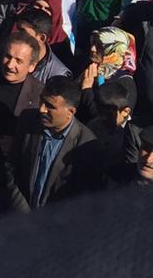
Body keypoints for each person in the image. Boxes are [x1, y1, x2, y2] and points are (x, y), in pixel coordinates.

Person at [7, 74, 102, 210]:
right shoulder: (27, 121)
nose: (41, 109)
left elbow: (83, 198)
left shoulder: (87, 146)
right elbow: (12, 167)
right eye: (41, 101)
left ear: (70, 112)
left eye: (50, 106)